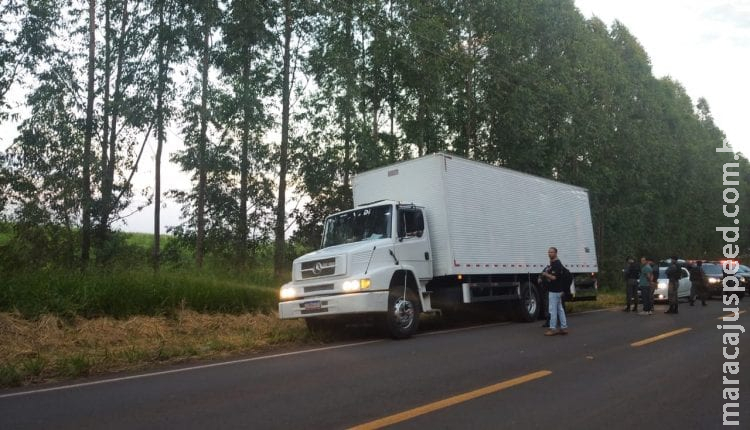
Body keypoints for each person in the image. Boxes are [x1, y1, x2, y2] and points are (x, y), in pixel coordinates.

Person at [541, 247, 568, 336]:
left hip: (555, 290)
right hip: (557, 290)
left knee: (552, 309)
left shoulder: (557, 264)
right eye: (549, 252)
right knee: (560, 309)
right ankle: (563, 327)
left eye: (552, 252)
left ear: (556, 253)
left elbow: (554, 277)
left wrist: (545, 274)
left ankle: (553, 329)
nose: (549, 254)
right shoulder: (553, 264)